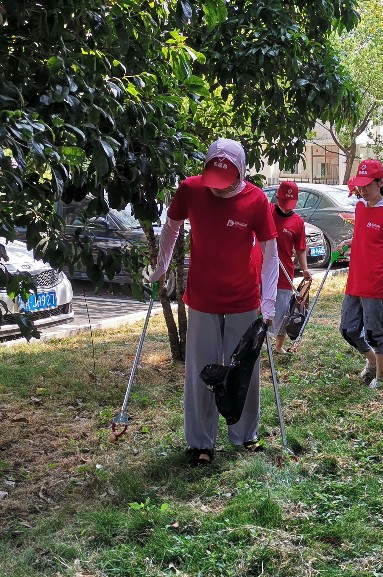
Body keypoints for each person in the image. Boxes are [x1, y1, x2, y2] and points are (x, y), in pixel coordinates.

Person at [148, 138, 279, 466]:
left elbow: (271, 252)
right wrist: (161, 266)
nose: (219, 189)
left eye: (227, 181)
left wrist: (269, 301)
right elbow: (171, 227)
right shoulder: (191, 190)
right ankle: (200, 443)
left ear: (241, 172)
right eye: (214, 180)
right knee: (200, 372)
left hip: (244, 299)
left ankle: (244, 435)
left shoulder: (256, 200)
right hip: (203, 298)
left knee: (243, 371)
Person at [338, 159, 383, 388]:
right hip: (356, 278)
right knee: (348, 329)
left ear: (380, 182)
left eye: (367, 184)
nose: (363, 189)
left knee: (375, 331)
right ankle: (372, 360)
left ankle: (380, 377)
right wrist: (350, 241)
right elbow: (364, 235)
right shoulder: (359, 206)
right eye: (360, 185)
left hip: (377, 281)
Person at [254, 181, 311, 354]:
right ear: (277, 197)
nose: (285, 208)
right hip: (259, 268)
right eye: (283, 202)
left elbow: (300, 248)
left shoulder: (297, 222)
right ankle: (256, 340)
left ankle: (278, 346)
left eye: (290, 204)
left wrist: (305, 268)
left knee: (284, 311)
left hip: (283, 272)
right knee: (259, 306)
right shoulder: (267, 211)